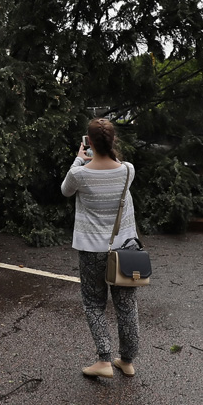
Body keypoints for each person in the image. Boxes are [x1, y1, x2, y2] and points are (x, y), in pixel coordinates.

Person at [61, 118, 141, 379]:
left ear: (90, 142)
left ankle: (104, 359)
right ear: (113, 140)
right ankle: (127, 361)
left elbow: (65, 191)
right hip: (126, 249)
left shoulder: (79, 173)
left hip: (92, 250)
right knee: (127, 306)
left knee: (94, 303)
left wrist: (78, 158)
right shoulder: (128, 170)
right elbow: (112, 169)